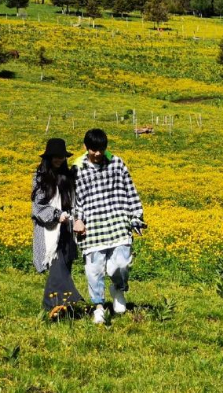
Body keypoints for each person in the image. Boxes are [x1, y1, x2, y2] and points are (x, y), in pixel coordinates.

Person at [73, 128, 145, 324]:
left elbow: (131, 190)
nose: (97, 153)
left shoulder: (117, 163)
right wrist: (77, 219)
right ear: (85, 147)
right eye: (93, 149)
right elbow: (75, 200)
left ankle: (118, 289)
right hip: (93, 227)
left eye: (101, 149)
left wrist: (136, 216)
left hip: (118, 223)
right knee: (94, 270)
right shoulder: (78, 169)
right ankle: (98, 307)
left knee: (121, 266)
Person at [31, 138, 84, 314]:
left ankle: (53, 305)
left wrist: (76, 219)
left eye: (61, 156)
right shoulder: (40, 177)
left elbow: (76, 201)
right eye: (55, 156)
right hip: (49, 229)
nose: (59, 159)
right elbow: (38, 207)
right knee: (57, 263)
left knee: (63, 265)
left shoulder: (69, 176)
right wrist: (56, 215)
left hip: (67, 228)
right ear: (48, 157)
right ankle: (73, 300)